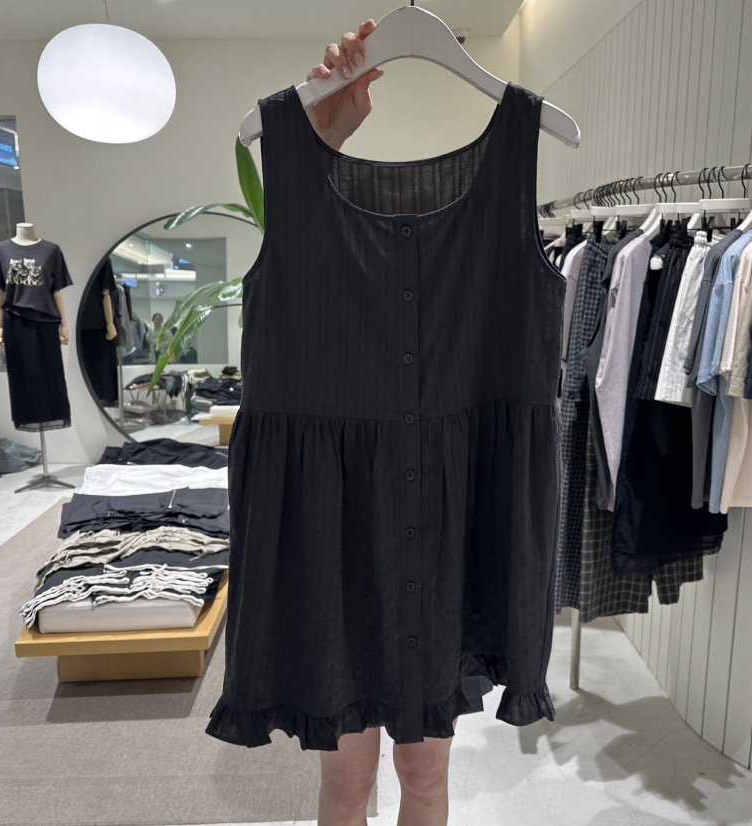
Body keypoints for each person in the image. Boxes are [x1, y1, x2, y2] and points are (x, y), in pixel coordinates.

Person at [305, 20, 458, 826]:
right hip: (336, 538)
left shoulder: (509, 176)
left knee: (425, 774)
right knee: (346, 781)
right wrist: (320, 138)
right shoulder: (302, 197)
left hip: (441, 539)